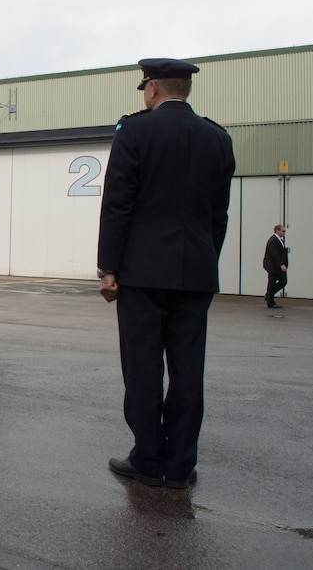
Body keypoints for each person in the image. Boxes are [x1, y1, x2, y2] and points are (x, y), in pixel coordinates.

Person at [98, 58, 235, 490]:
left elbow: (118, 203)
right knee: (188, 370)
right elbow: (219, 214)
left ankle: (147, 459)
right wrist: (203, 258)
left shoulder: (134, 132)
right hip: (195, 272)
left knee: (142, 368)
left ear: (153, 88)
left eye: (144, 87)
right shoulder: (218, 138)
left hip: (141, 272)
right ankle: (179, 466)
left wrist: (109, 267)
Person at [263, 224, 289, 308]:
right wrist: (281, 264)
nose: (284, 232)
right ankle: (270, 301)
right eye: (283, 231)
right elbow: (275, 254)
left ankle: (269, 295)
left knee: (283, 281)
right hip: (273, 266)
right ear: (277, 231)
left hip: (277, 266)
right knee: (272, 282)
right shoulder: (273, 240)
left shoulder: (279, 240)